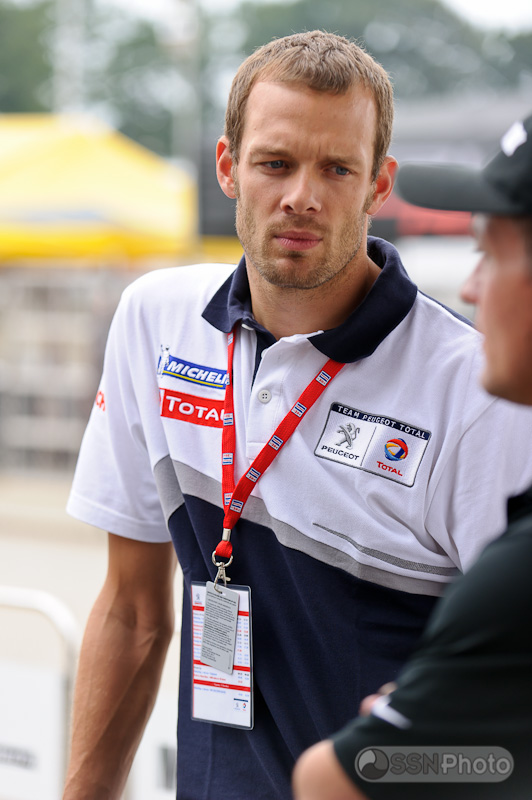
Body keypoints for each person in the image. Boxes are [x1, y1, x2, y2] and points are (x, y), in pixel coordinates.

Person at [62, 31, 532, 800]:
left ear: (379, 184)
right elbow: (132, 613)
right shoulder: (155, 319)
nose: (302, 197)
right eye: (275, 163)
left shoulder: (480, 389)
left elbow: (507, 724)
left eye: (337, 168)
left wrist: (375, 767)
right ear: (227, 166)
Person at [292, 111, 532, 800]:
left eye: (492, 254)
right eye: (275, 163)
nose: (472, 288)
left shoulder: (516, 576)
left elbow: (342, 780)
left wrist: (406, 738)